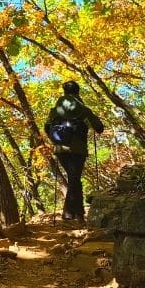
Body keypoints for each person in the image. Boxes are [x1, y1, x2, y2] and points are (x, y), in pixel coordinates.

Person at [44, 80, 104, 221]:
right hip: (78, 149)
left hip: (60, 149)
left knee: (74, 179)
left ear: (65, 93)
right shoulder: (83, 110)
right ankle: (70, 214)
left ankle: (77, 213)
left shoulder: (54, 111)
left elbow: (47, 128)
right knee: (74, 179)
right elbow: (99, 128)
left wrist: (57, 139)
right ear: (78, 92)